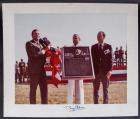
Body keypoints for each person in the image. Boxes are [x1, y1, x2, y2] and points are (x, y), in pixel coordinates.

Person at [26, 29, 48, 104]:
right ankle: (33, 108)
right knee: (33, 91)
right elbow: (33, 56)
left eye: (39, 34)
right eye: (35, 34)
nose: (37, 35)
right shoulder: (29, 43)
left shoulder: (42, 44)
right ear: (32, 35)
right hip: (34, 71)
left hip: (42, 71)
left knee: (44, 91)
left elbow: (46, 55)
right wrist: (44, 51)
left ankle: (44, 108)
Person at [91, 31, 112, 104]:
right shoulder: (93, 47)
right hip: (96, 72)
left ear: (103, 37)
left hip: (105, 72)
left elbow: (110, 60)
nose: (98, 37)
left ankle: (105, 106)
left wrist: (110, 71)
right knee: (95, 90)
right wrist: (92, 73)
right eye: (97, 36)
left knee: (105, 90)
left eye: (100, 36)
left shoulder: (108, 47)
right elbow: (91, 61)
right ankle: (96, 106)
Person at [67, 34, 84, 104]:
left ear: (79, 39)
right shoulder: (69, 48)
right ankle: (69, 104)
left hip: (80, 71)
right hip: (71, 72)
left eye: (76, 38)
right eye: (73, 38)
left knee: (80, 88)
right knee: (70, 88)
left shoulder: (83, 48)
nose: (74, 39)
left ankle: (80, 104)